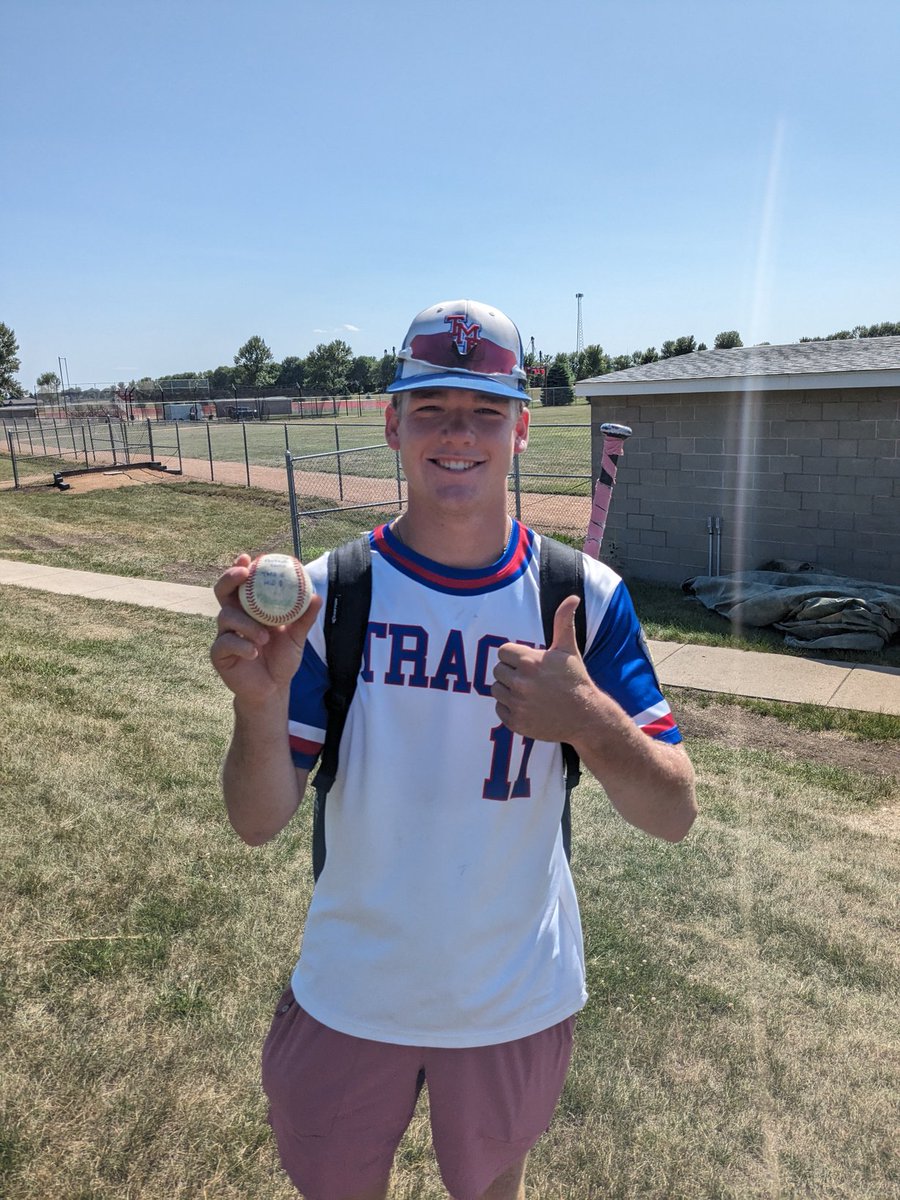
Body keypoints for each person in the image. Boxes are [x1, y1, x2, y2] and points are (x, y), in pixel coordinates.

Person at [210, 298, 697, 1200]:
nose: (456, 433)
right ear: (393, 423)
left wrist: (587, 715)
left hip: (514, 995)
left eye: (482, 410)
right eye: (431, 408)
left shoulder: (583, 596)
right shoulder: (331, 595)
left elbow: (674, 810)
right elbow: (255, 821)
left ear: (519, 427)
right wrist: (258, 702)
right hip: (355, 990)